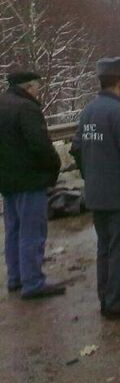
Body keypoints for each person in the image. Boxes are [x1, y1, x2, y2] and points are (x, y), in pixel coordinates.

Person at [71, 57, 120, 319]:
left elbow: (78, 150)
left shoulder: (88, 111)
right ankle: (118, 301)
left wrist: (92, 176)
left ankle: (106, 297)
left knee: (104, 248)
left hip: (97, 194)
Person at [0, 71, 65, 299]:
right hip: (29, 179)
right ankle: (33, 283)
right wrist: (54, 165)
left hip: (7, 181)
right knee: (32, 231)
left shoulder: (3, 103)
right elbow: (39, 145)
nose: (38, 91)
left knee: (13, 230)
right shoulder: (26, 108)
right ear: (28, 87)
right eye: (37, 86)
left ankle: (15, 278)